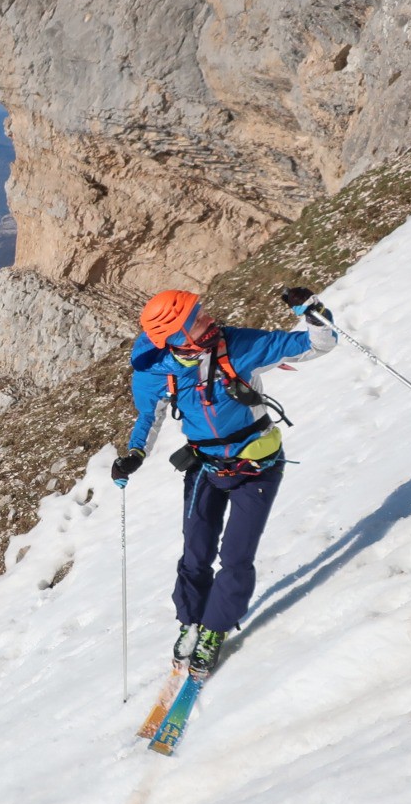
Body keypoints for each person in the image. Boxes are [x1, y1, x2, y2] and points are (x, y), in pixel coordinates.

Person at [110, 286, 338, 677]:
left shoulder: (239, 345)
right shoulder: (155, 371)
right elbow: (149, 417)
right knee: (196, 552)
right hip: (205, 467)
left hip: (258, 466)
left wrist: (314, 313)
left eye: (201, 311)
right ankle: (191, 623)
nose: (208, 318)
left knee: (235, 557)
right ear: (176, 337)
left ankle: (214, 630)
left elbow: (317, 346)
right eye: (195, 319)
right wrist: (135, 454)